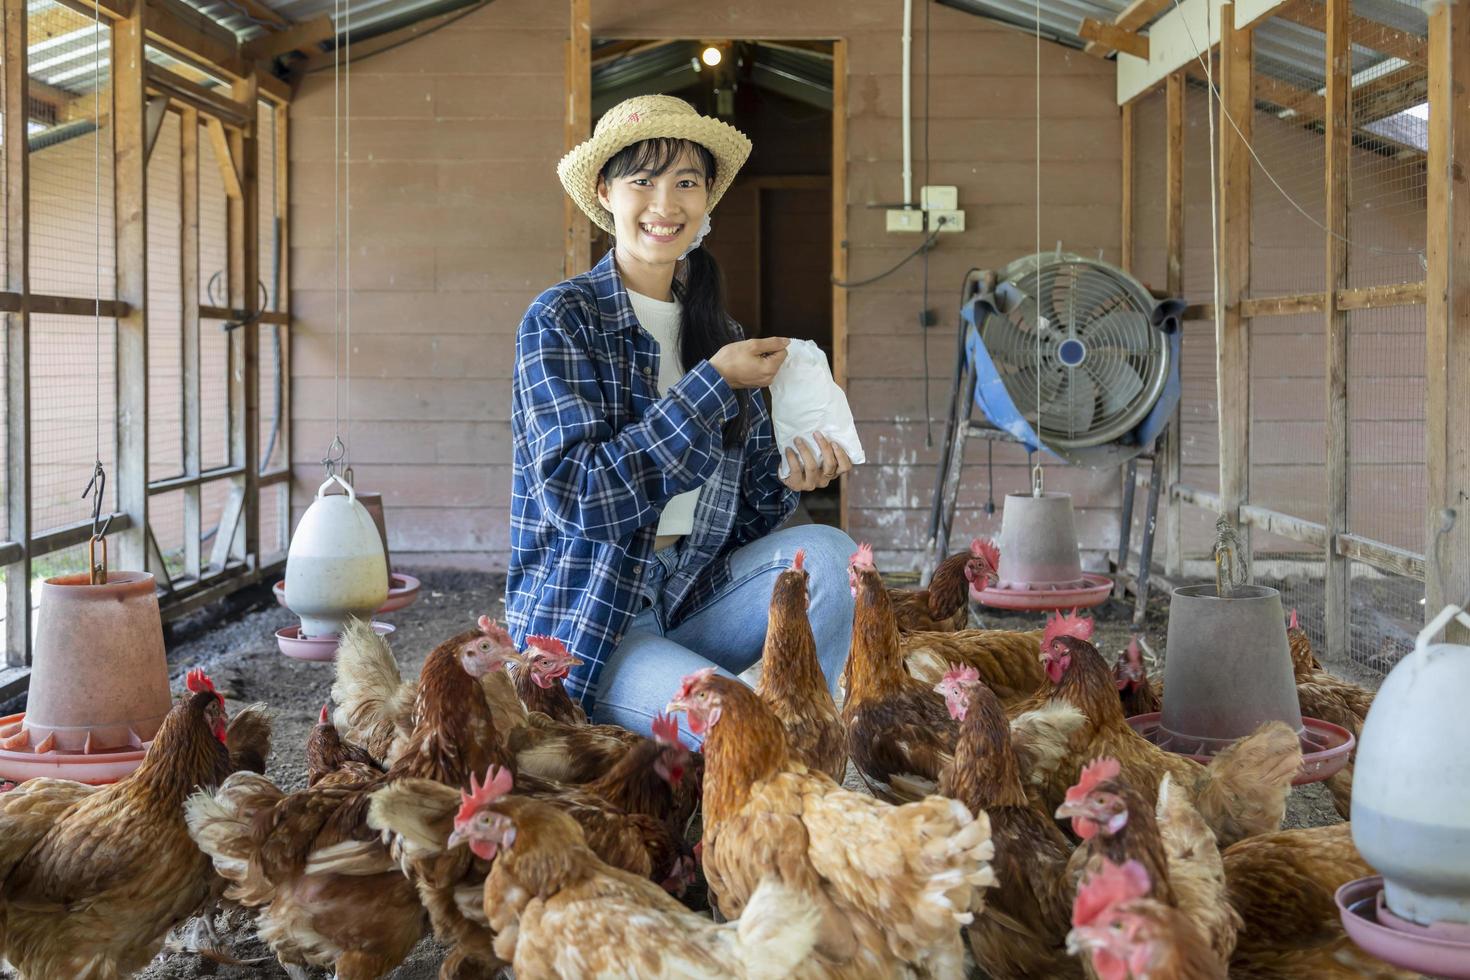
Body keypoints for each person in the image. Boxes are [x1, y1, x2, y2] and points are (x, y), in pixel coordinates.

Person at [507, 95, 857, 740]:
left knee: (834, 556)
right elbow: (583, 497)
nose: (666, 204)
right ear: (607, 192)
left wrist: (792, 477)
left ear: (706, 201)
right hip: (598, 616)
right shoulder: (563, 319)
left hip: (695, 594)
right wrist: (711, 385)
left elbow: (745, 516)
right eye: (642, 181)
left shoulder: (720, 331)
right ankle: (756, 748)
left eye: (686, 183)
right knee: (735, 729)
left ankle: (814, 737)